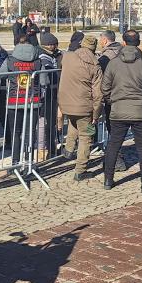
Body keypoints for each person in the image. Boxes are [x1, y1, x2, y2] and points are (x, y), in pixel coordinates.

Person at [101, 30, 142, 193]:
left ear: (124, 43)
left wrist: (112, 101)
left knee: (114, 145)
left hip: (119, 110)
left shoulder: (113, 63)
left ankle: (108, 179)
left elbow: (105, 87)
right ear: (139, 43)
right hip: (140, 110)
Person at [58, 35, 103, 181]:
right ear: (94, 47)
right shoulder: (95, 65)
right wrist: (96, 114)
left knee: (73, 122)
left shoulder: (67, 57)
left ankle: (69, 149)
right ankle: (81, 170)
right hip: (85, 108)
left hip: (66, 103)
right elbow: (98, 93)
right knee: (86, 136)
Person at [0, 35, 43, 166]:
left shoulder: (10, 60)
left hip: (15, 100)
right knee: (30, 132)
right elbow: (44, 80)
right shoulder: (38, 61)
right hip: (33, 100)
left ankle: (15, 161)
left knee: (16, 132)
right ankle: (29, 160)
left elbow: (0, 74)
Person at [98, 30, 126, 171]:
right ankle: (118, 158)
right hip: (127, 95)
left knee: (113, 130)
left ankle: (116, 160)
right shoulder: (124, 52)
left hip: (113, 97)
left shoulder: (105, 58)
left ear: (104, 40)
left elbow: (103, 80)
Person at [38, 33, 61, 159]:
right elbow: (46, 76)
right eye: (53, 44)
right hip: (46, 93)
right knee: (44, 122)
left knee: (52, 122)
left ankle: (52, 146)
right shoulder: (43, 57)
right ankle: (42, 148)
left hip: (54, 91)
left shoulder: (55, 54)